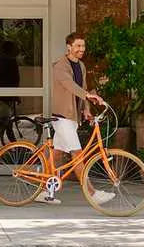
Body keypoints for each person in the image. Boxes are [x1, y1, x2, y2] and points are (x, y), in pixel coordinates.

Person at [44, 31, 114, 205]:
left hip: (73, 117)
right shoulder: (59, 66)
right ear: (69, 47)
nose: (82, 49)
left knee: (56, 155)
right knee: (77, 155)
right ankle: (92, 194)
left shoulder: (81, 66)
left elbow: (83, 88)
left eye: (83, 46)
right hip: (62, 117)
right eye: (78, 46)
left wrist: (86, 109)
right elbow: (70, 85)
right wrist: (87, 95)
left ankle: (43, 191)